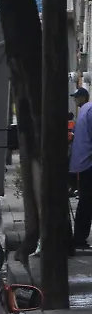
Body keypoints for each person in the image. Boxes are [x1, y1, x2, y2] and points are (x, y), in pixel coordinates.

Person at [72, 88, 92, 253]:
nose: (75, 100)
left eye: (77, 97)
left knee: (86, 201)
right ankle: (79, 237)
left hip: (84, 163)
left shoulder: (87, 111)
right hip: (86, 164)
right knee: (86, 201)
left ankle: (79, 236)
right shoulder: (87, 111)